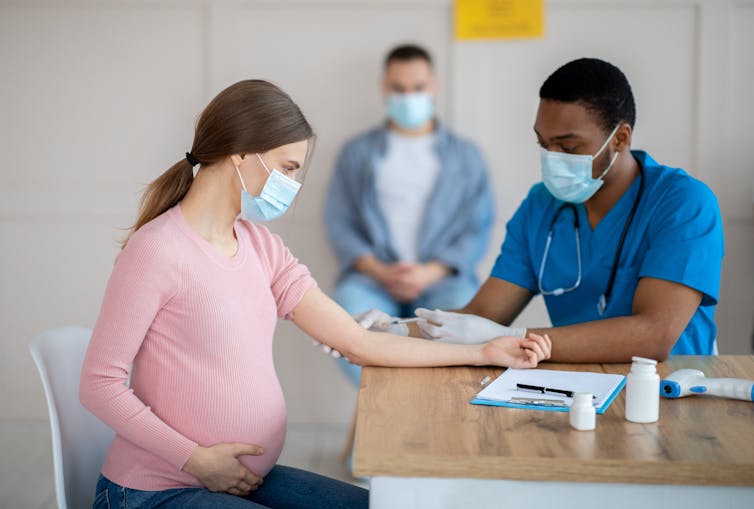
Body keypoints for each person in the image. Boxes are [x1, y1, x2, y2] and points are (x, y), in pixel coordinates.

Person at [79, 79, 551, 509]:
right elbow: (99, 385)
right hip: (156, 490)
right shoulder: (157, 251)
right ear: (241, 153)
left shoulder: (261, 246)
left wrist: (484, 351)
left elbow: (358, 342)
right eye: (286, 167)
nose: (291, 185)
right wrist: (196, 459)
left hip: (239, 479)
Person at [359, 57, 724, 362]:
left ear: (621, 138)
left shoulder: (683, 204)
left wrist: (514, 336)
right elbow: (482, 317)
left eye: (568, 147)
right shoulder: (541, 207)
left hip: (672, 388)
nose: (553, 159)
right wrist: (391, 329)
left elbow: (653, 334)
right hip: (572, 384)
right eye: (544, 144)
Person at [324, 44, 495, 386]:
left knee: (468, 319)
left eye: (417, 87)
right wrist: (381, 271)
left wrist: (428, 273)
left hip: (443, 280)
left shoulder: (466, 156)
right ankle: (389, 411)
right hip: (372, 279)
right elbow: (340, 221)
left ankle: (427, 415)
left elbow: (477, 228)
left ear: (434, 85)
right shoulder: (357, 153)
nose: (408, 96)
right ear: (383, 87)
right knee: (343, 321)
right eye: (398, 88)